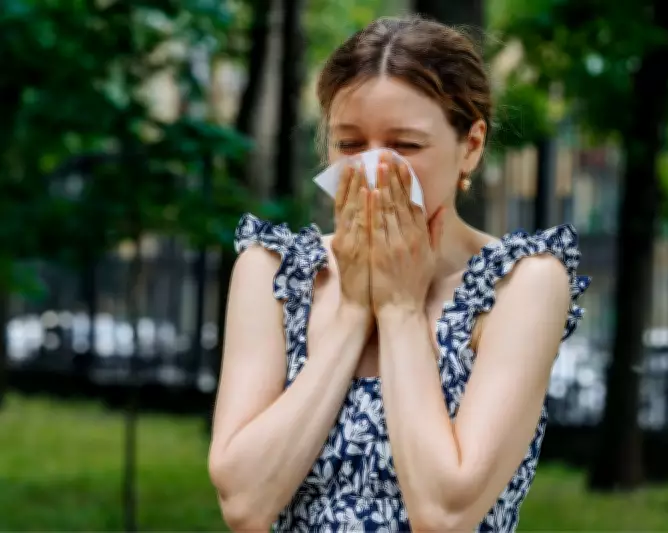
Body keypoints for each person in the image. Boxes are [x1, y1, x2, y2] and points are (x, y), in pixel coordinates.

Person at [208, 15, 590, 532]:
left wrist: (401, 308)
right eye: (348, 145)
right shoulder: (273, 271)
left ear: (471, 146)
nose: (374, 170)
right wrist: (352, 309)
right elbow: (244, 504)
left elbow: (445, 513)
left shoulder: (521, 284)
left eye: (405, 146)